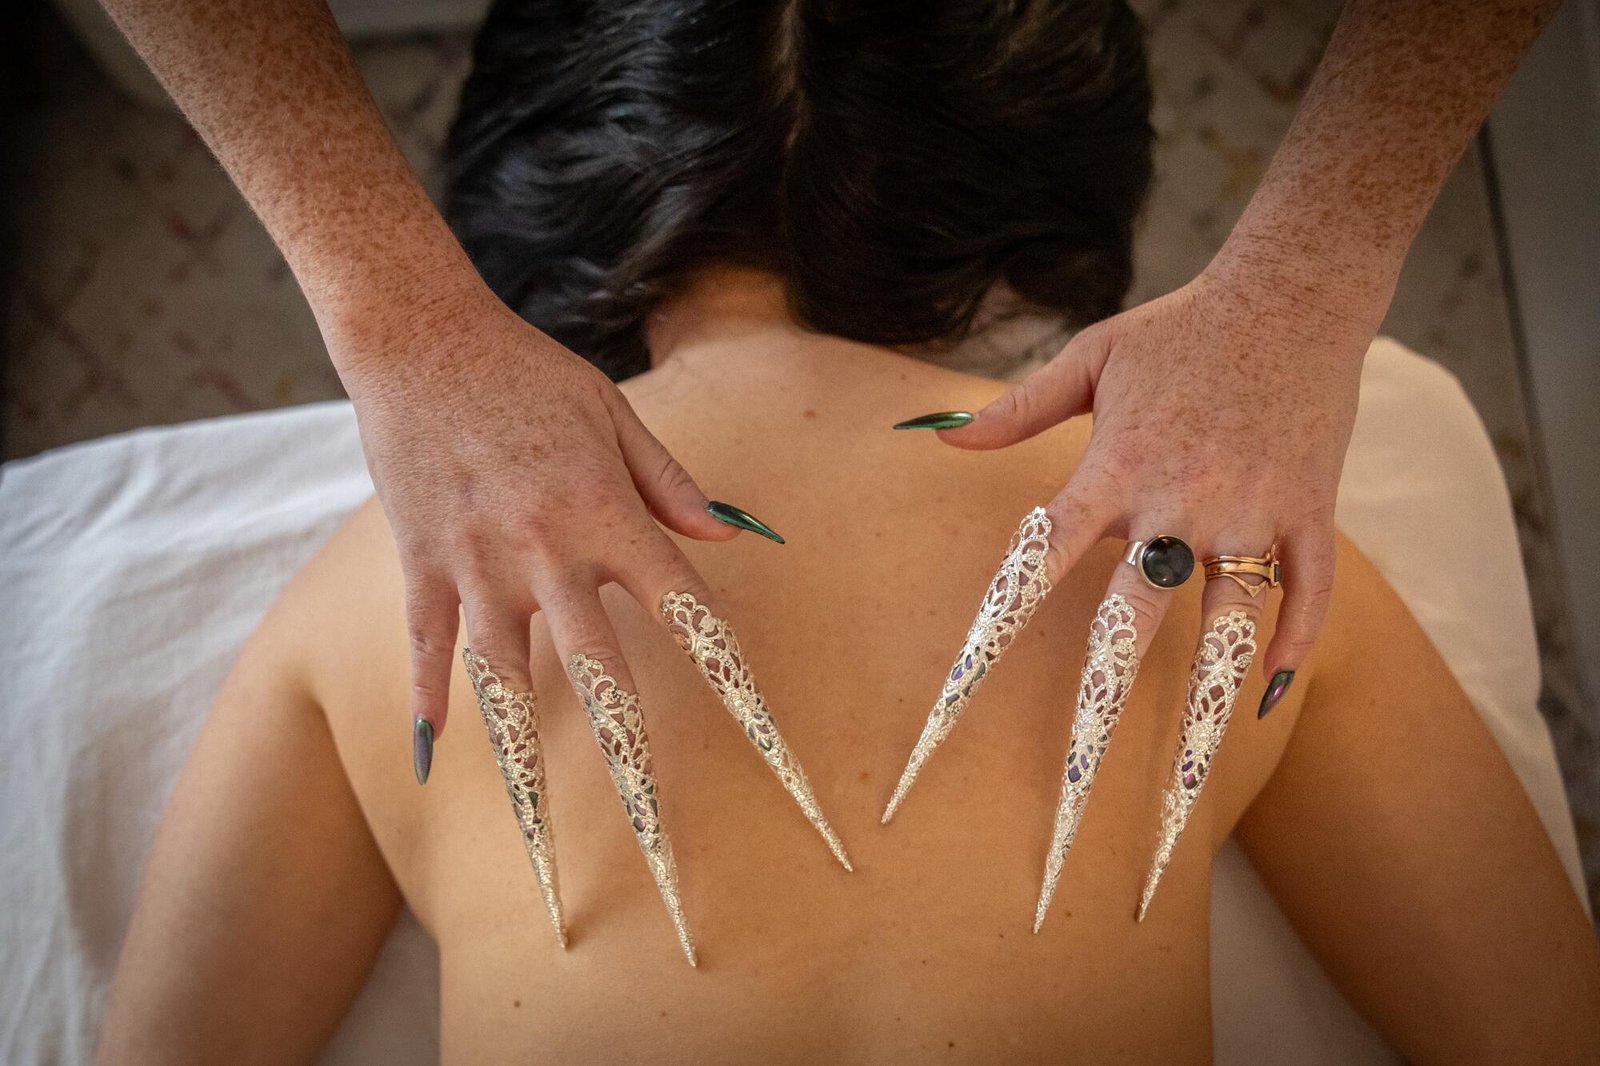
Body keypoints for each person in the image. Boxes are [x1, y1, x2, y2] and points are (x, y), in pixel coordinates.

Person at [96, 1, 1599, 1061]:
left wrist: (387, 307)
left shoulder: (390, 586)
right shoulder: (1226, 538)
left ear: (541, 187)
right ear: (1045, 191)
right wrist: (1321, 265)